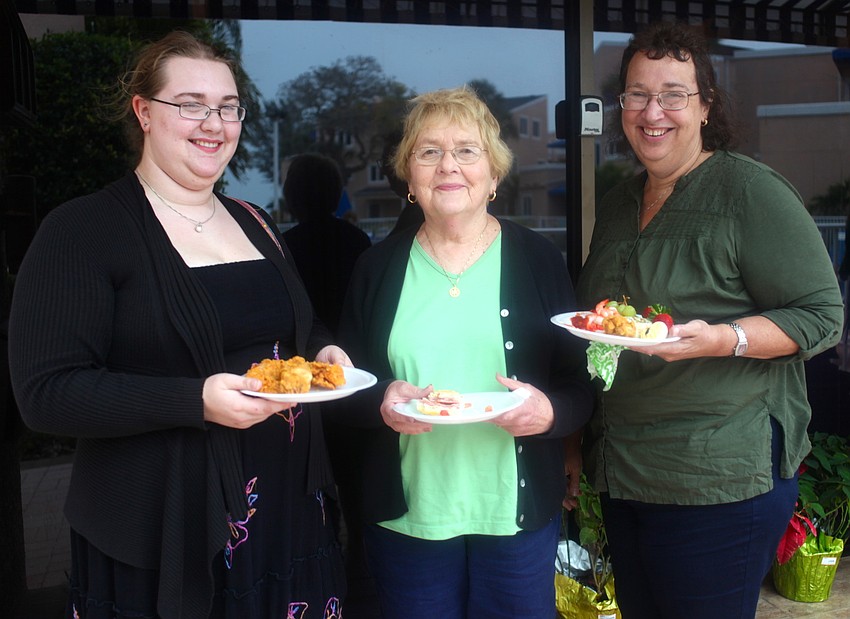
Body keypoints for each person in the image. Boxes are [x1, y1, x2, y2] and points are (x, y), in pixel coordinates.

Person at [8, 31, 349, 619]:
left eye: (227, 107)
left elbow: (297, 323)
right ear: (143, 111)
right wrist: (197, 401)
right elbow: (47, 394)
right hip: (166, 527)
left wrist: (325, 349)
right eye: (190, 104)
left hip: (286, 515)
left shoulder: (254, 220)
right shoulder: (83, 230)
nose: (213, 123)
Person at [575, 21, 845, 619]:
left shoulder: (750, 192)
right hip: (625, 472)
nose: (654, 111)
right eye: (638, 94)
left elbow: (823, 316)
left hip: (717, 480)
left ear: (705, 105)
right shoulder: (620, 201)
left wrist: (726, 339)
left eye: (674, 93)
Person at [332, 85, 594, 619]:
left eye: (467, 151)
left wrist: (551, 414)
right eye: (429, 151)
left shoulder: (539, 259)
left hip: (514, 517)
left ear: (494, 176)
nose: (448, 165)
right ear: (410, 177)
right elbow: (346, 388)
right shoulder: (376, 268)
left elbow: (578, 381)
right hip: (409, 519)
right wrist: (381, 399)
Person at [282, 153, 372, 337]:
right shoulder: (357, 240)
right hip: (352, 341)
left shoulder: (285, 247)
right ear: (336, 193)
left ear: (292, 195)